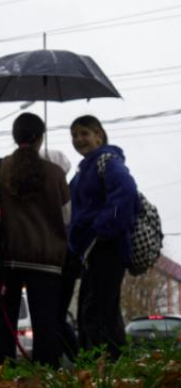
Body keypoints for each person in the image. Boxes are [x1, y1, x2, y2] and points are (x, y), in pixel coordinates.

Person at [0, 112, 70, 368]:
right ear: (40, 138)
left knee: (2, 323)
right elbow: (68, 217)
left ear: (15, 137)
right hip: (47, 261)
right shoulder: (56, 174)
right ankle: (45, 382)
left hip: (6, 258)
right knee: (46, 325)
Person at [68, 115, 138, 360]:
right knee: (102, 311)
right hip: (92, 251)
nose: (79, 140)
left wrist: (102, 228)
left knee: (95, 312)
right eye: (74, 135)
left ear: (99, 135)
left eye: (84, 134)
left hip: (107, 248)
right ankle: (112, 367)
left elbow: (126, 194)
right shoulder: (85, 170)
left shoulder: (107, 162)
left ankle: (102, 369)